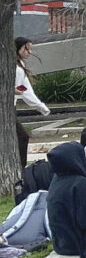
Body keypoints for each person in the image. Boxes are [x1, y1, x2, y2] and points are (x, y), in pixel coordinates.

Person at [14, 37, 50, 166]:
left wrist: (40, 106)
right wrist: (16, 90)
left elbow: (25, 89)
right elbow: (21, 89)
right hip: (6, 108)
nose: (29, 52)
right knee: (22, 137)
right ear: (18, 48)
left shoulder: (20, 65)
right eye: (26, 49)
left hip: (11, 107)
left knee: (21, 137)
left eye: (30, 49)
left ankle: (19, 167)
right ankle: (20, 168)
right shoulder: (13, 66)